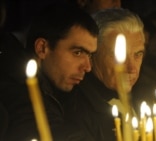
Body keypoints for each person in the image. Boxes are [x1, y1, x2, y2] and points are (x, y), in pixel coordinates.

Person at [0, 4, 99, 141]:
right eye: (77, 52)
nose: (88, 67)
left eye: (90, 56)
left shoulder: (70, 88)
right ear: (42, 48)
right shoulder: (16, 86)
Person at [65, 8, 145, 141]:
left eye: (138, 54)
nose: (132, 69)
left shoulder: (143, 94)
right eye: (119, 56)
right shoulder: (77, 112)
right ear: (92, 55)